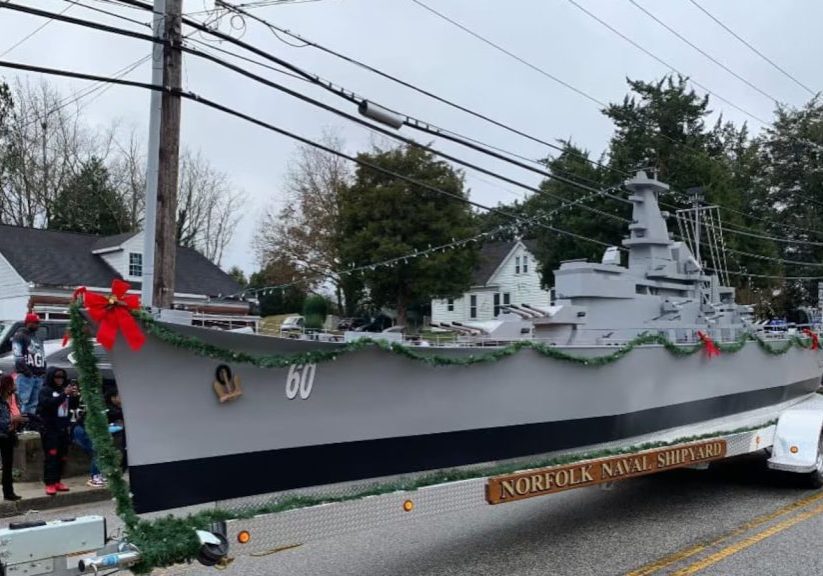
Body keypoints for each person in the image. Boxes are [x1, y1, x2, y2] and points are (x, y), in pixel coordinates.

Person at [37, 367, 77, 496]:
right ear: (51, 377)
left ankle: (58, 481)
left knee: (62, 456)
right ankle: (49, 482)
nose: (59, 379)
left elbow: (71, 407)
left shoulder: (63, 391)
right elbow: (48, 404)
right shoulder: (45, 390)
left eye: (62, 377)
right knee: (51, 456)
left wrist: (74, 396)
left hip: (63, 428)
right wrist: (64, 394)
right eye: (57, 377)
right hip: (50, 429)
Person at [13, 313, 47, 418]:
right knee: (23, 402)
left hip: (38, 376)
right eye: (36, 323)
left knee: (33, 404)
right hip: (26, 376)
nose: (38, 325)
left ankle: (30, 427)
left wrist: (44, 370)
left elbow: (42, 355)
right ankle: (21, 428)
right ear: (28, 323)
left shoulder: (37, 338)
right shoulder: (19, 336)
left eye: (38, 323)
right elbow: (17, 356)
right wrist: (27, 373)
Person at [70, 395, 106, 488]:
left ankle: (98, 474)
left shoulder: (96, 409)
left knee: (99, 451)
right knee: (97, 451)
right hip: (82, 430)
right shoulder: (87, 410)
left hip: (86, 429)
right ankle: (94, 477)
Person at [0, 375, 26, 501]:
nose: (14, 386)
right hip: (3, 435)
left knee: (8, 466)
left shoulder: (7, 400)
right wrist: (14, 419)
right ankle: (8, 492)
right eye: (12, 384)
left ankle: (8, 492)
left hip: (7, 436)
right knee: (6, 465)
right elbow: (3, 421)